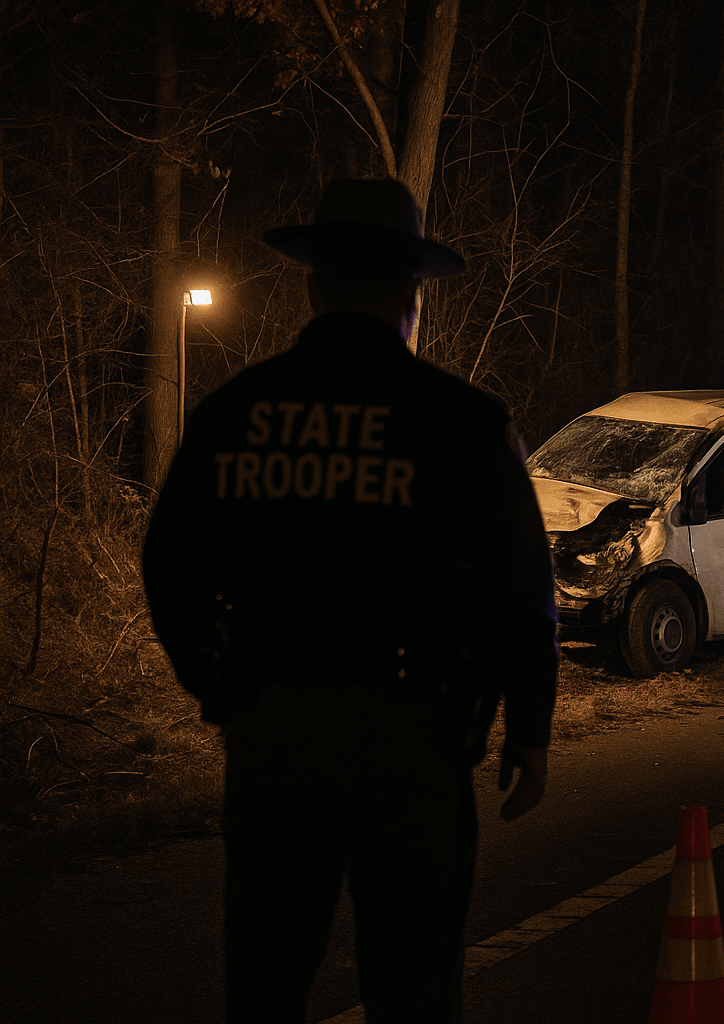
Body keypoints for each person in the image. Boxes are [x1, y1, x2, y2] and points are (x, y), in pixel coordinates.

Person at [141, 178, 559, 1023]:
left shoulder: (235, 413)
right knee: (410, 986)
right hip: (413, 740)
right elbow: (522, 590)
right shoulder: (462, 422)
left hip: (274, 736)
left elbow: (169, 561)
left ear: (312, 286)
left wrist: (215, 685)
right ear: (412, 296)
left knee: (265, 978)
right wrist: (530, 729)